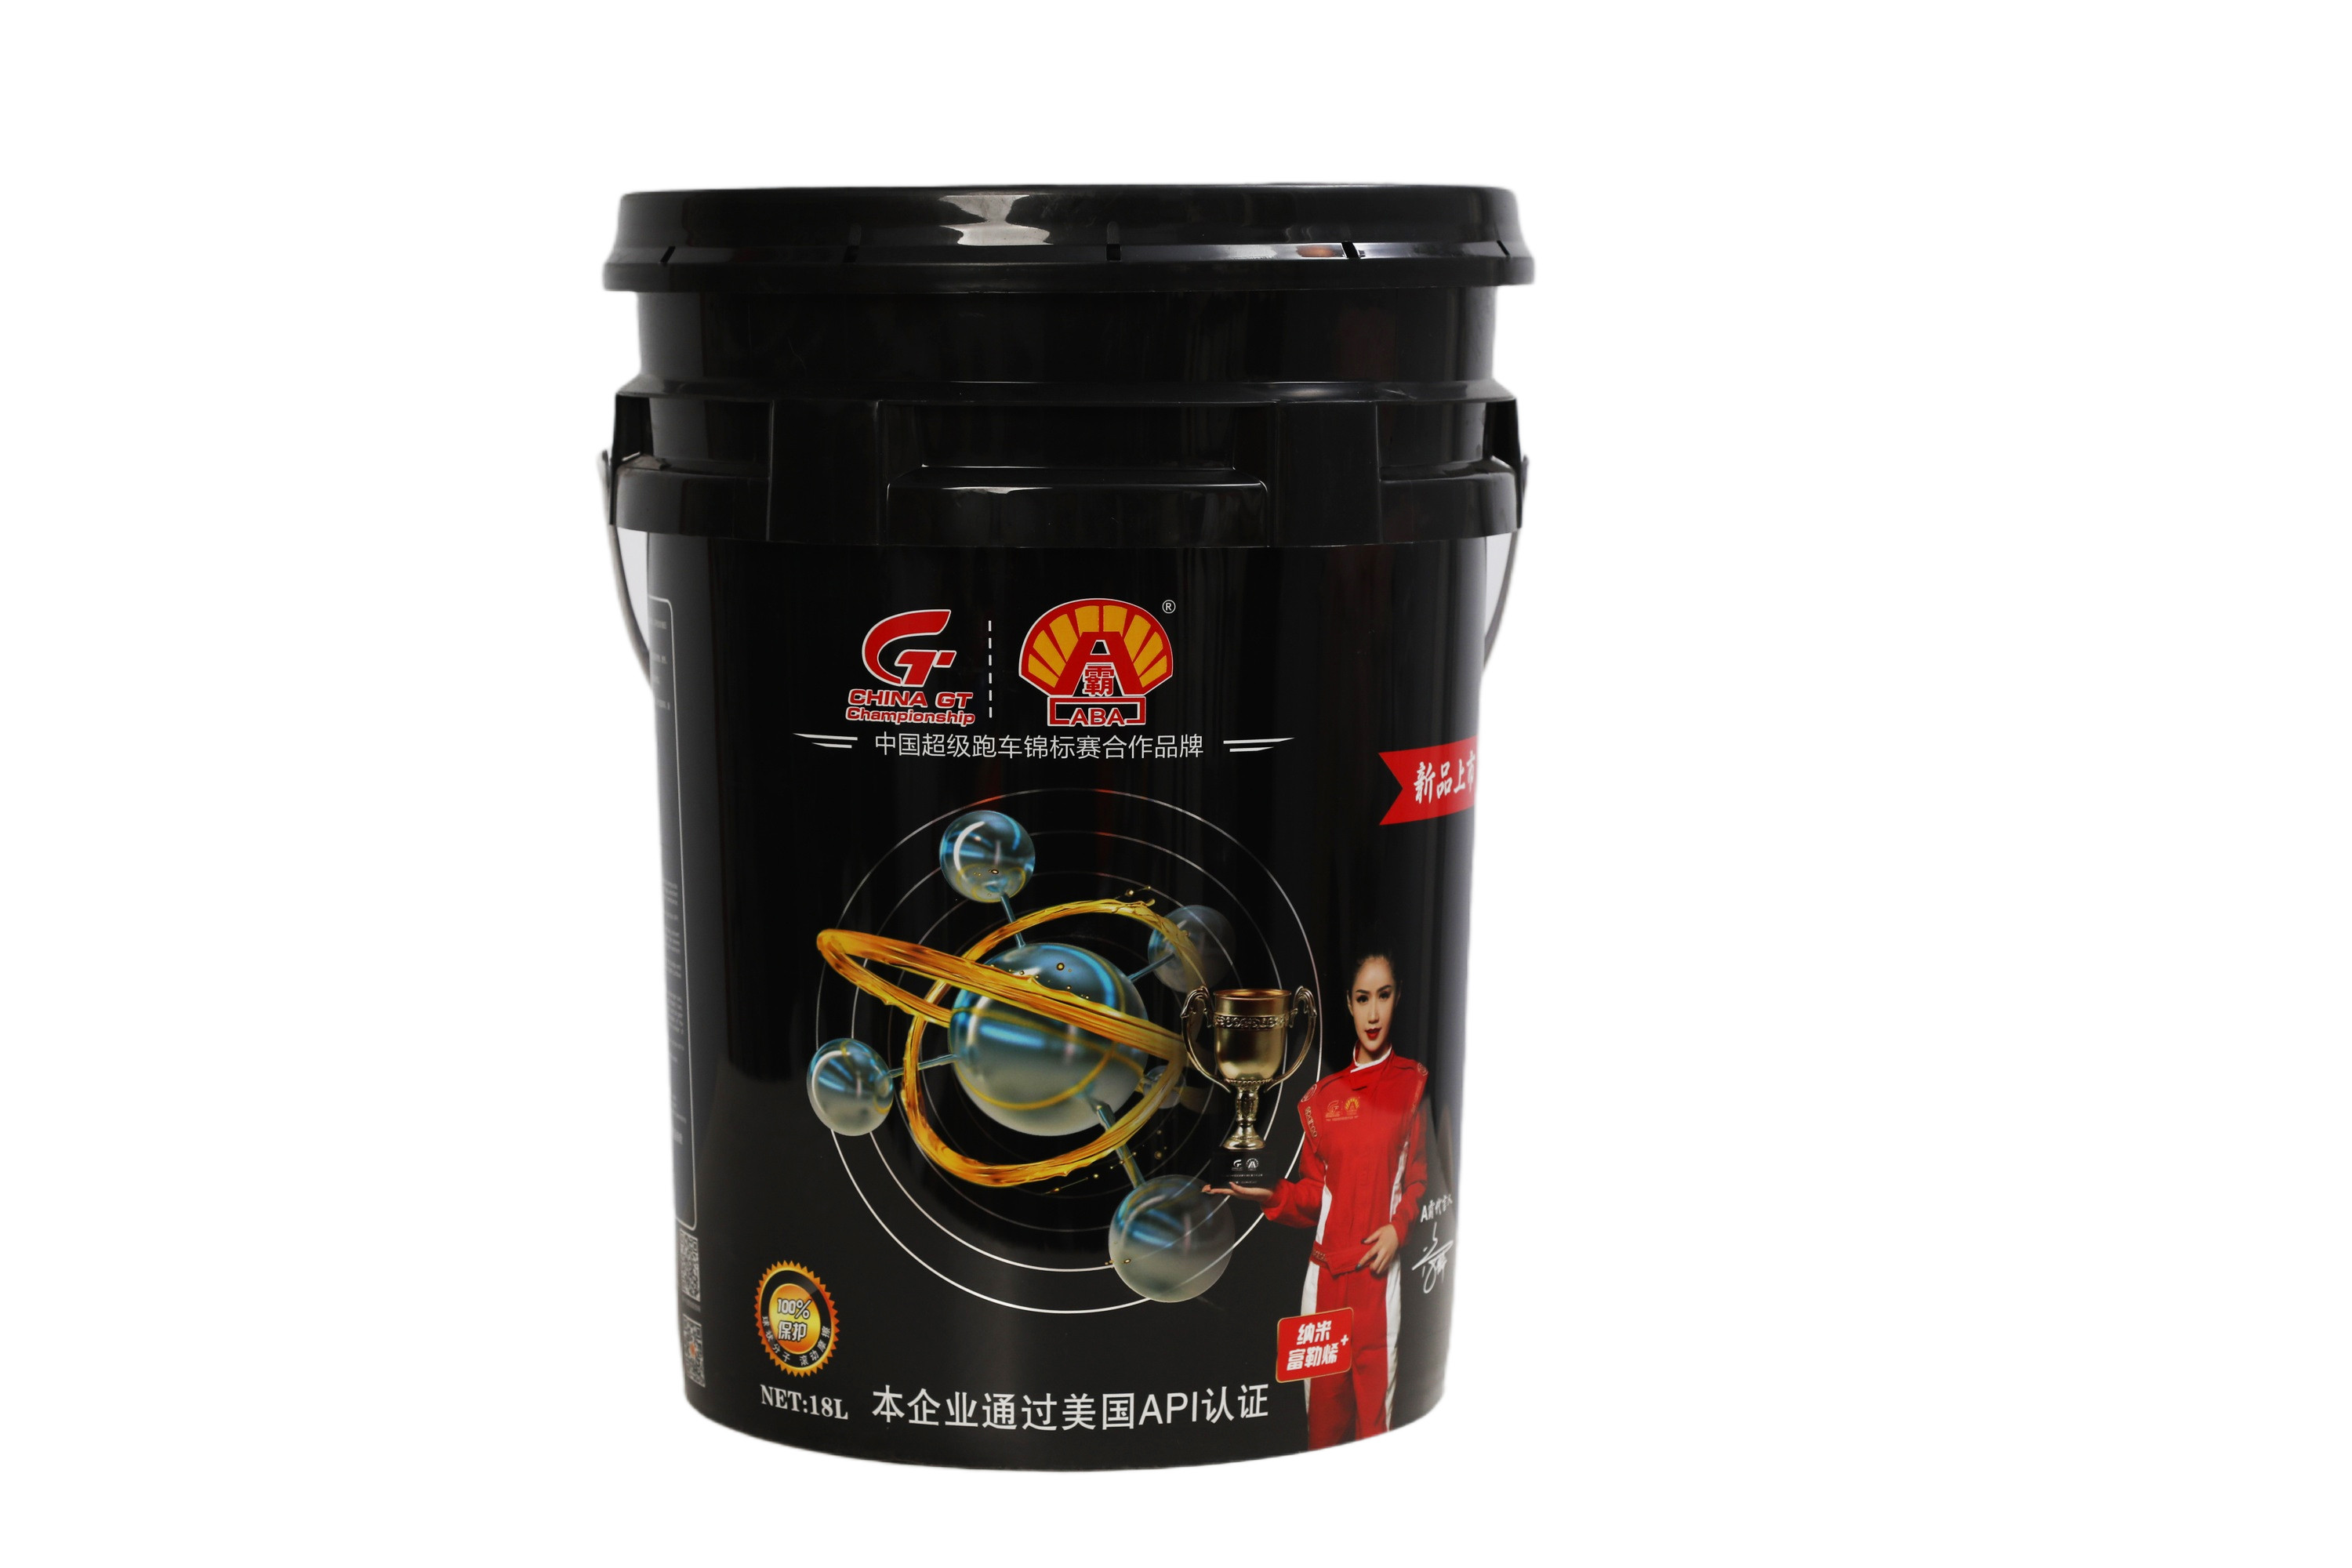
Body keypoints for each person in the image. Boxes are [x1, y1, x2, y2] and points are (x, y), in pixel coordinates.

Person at [1208, 953, 1428, 1446]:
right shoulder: (1320, 1099)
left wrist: (1398, 1230)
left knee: (1377, 1427)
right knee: (1323, 1429)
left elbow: (1417, 1181)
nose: (1374, 1014)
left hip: (1376, 1282)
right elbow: (1314, 1196)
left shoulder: (1414, 1084)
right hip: (1323, 1284)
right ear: (1349, 1004)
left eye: (1384, 996)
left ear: (1398, 998)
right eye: (1363, 999)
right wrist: (1272, 1193)